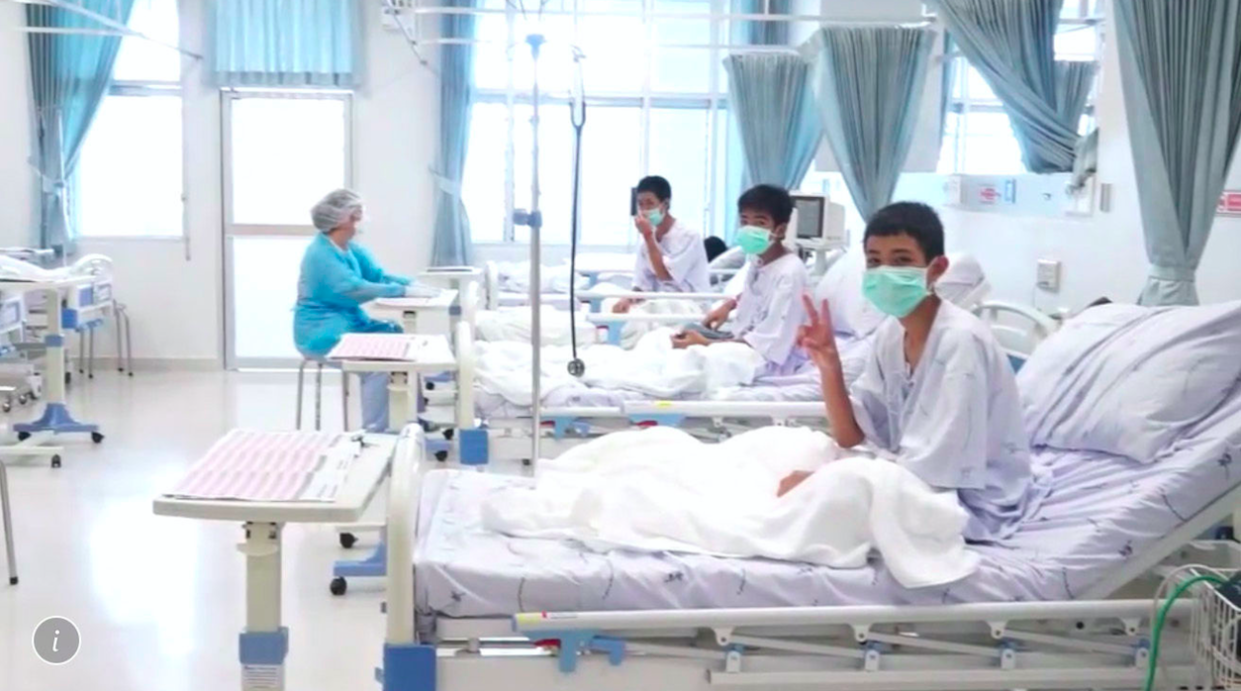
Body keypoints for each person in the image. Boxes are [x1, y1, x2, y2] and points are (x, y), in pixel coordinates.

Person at [779, 202, 1045, 542]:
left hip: (966, 501)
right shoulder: (891, 334)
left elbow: (934, 477)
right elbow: (852, 437)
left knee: (812, 496)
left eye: (902, 260)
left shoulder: (960, 343)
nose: (885, 272)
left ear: (937, 269)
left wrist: (826, 482)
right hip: (910, 478)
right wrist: (829, 365)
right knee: (781, 447)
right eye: (874, 261)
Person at [293, 189, 434, 432]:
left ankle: (418, 415)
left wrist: (408, 284)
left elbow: (376, 276)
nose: (360, 218)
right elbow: (353, 288)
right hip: (321, 334)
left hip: (350, 325)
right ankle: (376, 433)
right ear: (340, 220)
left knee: (399, 336)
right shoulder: (320, 255)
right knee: (376, 367)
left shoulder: (349, 248)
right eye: (355, 214)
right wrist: (400, 292)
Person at [670, 185, 810, 376]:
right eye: (745, 221)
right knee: (677, 334)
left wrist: (706, 344)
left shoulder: (789, 274)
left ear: (780, 229)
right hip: (740, 341)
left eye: (760, 223)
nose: (749, 229)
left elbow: (769, 345)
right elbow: (759, 292)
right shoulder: (759, 258)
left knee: (690, 358)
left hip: (761, 360)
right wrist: (729, 305)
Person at [612, 176, 711, 313]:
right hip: (660, 302)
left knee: (643, 314)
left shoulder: (688, 236)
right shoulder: (646, 242)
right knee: (613, 305)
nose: (644, 209)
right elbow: (642, 284)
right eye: (640, 204)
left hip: (689, 304)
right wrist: (628, 299)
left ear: (665, 204)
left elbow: (665, 275)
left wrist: (647, 236)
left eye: (650, 203)